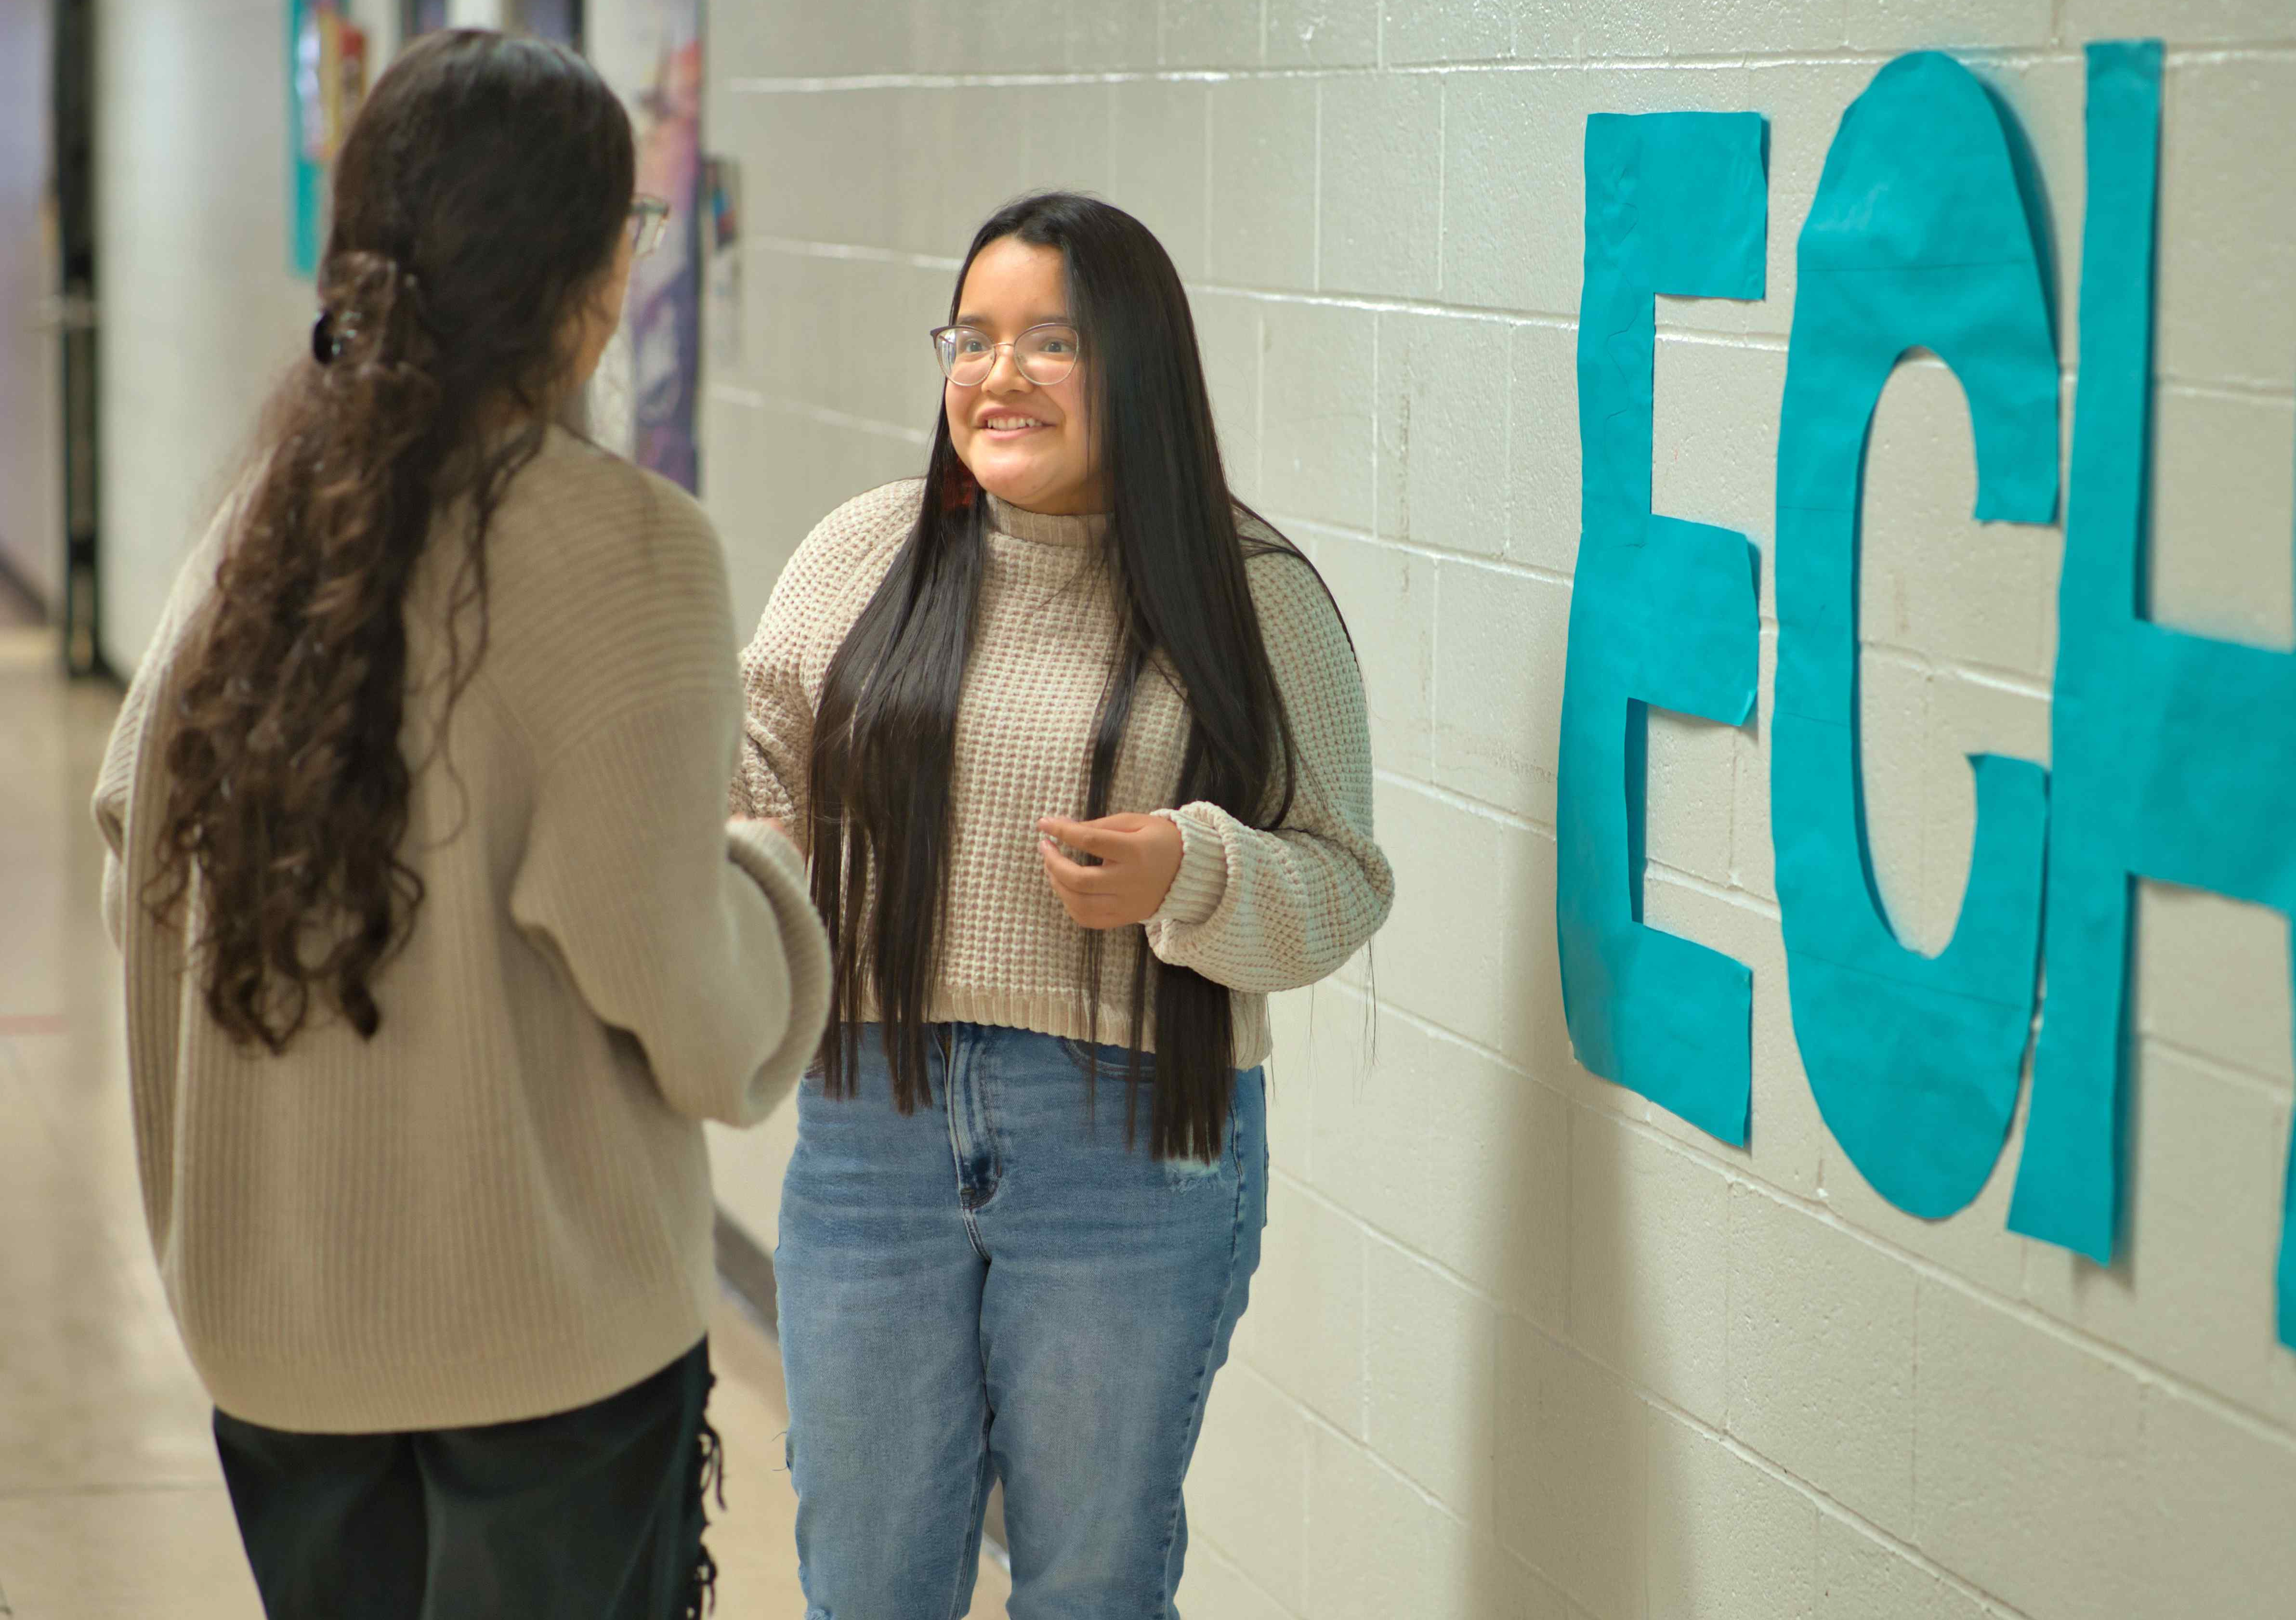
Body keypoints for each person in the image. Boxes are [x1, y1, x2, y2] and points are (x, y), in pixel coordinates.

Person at [89, 31, 826, 1620]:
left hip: (275, 1336)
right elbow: (693, 1010)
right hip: (543, 1351)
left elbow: (130, 838)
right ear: (582, 272)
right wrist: (772, 873)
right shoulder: (625, 551)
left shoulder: (254, 530)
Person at [735, 190, 1394, 1619]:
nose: (996, 374)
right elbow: (744, 780)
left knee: (1090, 1578)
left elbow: (1342, 877)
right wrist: (758, 841)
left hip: (1130, 1145)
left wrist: (1192, 873)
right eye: (970, 338)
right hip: (868, 1127)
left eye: (1050, 341)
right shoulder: (861, 555)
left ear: (1138, 367)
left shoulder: (1249, 594)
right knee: (863, 1569)